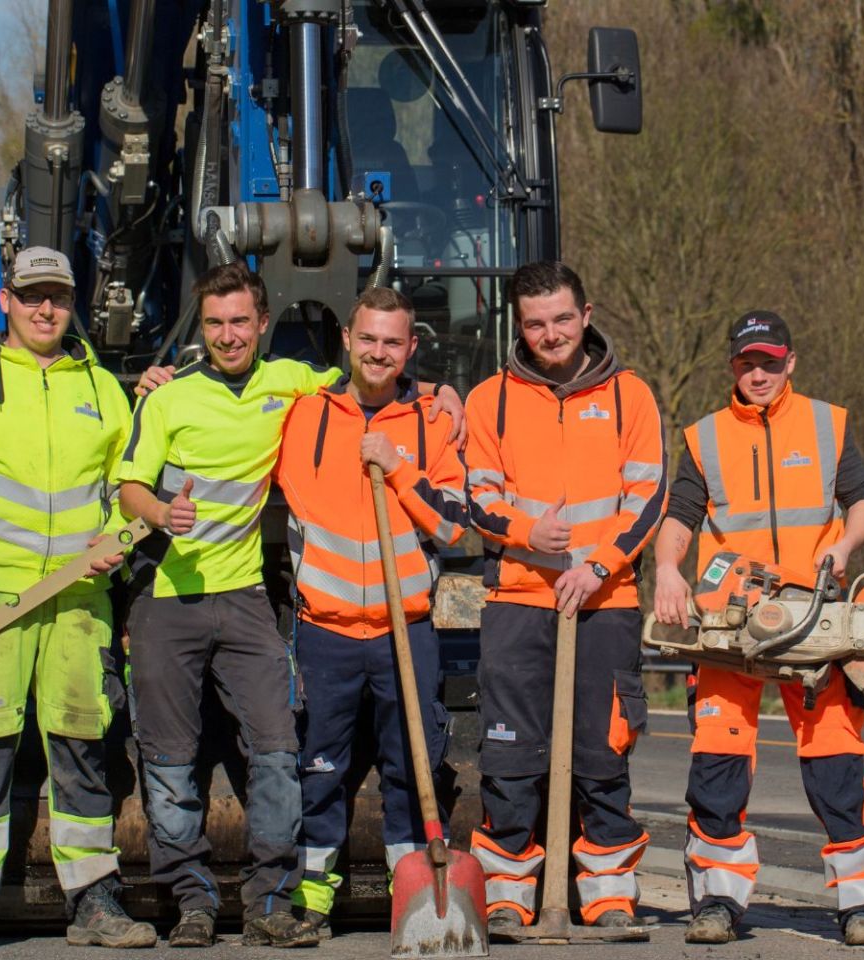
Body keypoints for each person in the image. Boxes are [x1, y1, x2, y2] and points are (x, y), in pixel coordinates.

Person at [117, 263, 463, 948]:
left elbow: (446, 509)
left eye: (240, 321)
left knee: (323, 757)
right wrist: (159, 494)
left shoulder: (347, 400)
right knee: (221, 763)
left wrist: (434, 408)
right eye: (214, 323)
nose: (228, 335)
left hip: (325, 611)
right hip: (237, 609)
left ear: (263, 322)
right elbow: (133, 480)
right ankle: (242, 900)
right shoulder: (240, 402)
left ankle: (340, 899)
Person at [0, 247, 157, 952]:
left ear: (73, 301)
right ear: (5, 302)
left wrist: (118, 538)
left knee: (83, 748)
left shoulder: (105, 389)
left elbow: (127, 489)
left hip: (80, 601)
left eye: (56, 296)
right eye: (31, 296)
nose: (44, 309)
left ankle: (96, 906)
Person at [650, 310, 864, 947]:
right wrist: (668, 569)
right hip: (729, 626)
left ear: (791, 363)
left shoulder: (826, 423)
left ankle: (861, 905)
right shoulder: (704, 437)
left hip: (814, 618)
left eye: (770, 362)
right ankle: (718, 901)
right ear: (733, 366)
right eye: (747, 363)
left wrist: (843, 545)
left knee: (836, 761)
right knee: (718, 763)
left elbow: (863, 498)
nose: (758, 374)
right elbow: (680, 514)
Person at [462, 260, 666, 937]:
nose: (549, 333)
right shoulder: (489, 398)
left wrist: (600, 565)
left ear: (586, 314)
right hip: (519, 600)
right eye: (534, 322)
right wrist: (528, 533)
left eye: (560, 318)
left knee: (602, 751)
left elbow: (649, 496)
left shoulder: (631, 395)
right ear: (518, 326)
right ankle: (509, 894)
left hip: (605, 603)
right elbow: (477, 498)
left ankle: (608, 894)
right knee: (511, 753)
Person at [272, 287, 472, 939]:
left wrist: (400, 470)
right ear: (348, 342)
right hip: (325, 632)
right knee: (321, 769)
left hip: (404, 631)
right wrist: (165, 379)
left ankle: (407, 899)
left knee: (408, 768)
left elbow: (452, 529)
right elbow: (234, 400)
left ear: (410, 348)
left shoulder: (433, 423)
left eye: (393, 341)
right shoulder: (302, 416)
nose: (379, 351)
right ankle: (314, 901)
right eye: (368, 339)